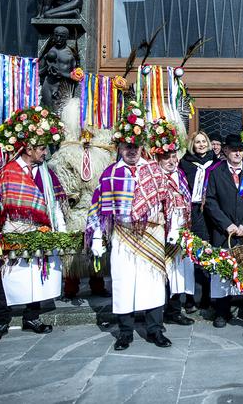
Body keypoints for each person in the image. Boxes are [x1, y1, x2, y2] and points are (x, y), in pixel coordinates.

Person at [88, 102, 180, 350]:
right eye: (127, 146)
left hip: (151, 233)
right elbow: (98, 208)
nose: (131, 151)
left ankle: (155, 330)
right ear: (119, 147)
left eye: (135, 146)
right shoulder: (109, 174)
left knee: (152, 284)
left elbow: (170, 201)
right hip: (123, 236)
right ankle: (125, 332)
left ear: (142, 147)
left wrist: (173, 229)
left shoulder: (153, 170)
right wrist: (97, 238)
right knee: (123, 283)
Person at [0, 106, 67, 340]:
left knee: (36, 275)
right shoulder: (8, 171)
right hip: (13, 229)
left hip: (40, 229)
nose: (46, 153)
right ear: (28, 148)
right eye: (42, 148)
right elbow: (0, 204)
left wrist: (60, 231)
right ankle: (0, 321)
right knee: (10, 275)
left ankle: (31, 317)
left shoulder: (47, 173)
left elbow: (55, 203)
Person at [204, 134, 243, 328]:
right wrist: (226, 224)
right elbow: (211, 201)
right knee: (223, 272)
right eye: (233, 149)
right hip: (224, 233)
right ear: (225, 151)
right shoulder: (216, 172)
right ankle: (222, 311)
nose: (237, 153)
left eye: (240, 149)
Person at [149, 119, 195, 326]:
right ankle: (158, 312)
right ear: (158, 158)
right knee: (161, 274)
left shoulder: (181, 175)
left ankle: (175, 310)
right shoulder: (153, 176)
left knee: (179, 272)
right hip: (160, 231)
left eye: (173, 156)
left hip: (180, 231)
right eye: (166, 157)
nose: (171, 160)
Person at [179, 131, 219, 310]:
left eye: (204, 141)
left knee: (209, 253)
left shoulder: (217, 163)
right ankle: (189, 295)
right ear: (192, 145)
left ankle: (207, 294)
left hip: (211, 211)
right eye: (197, 142)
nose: (201, 144)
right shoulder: (185, 163)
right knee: (192, 252)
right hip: (193, 211)